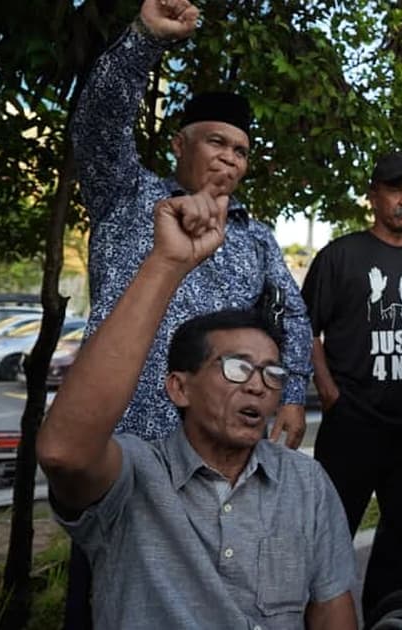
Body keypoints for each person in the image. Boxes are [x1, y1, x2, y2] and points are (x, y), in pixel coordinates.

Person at [68, 1, 312, 624]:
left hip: (208, 463)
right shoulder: (128, 196)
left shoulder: (255, 238)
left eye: (241, 151)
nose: (230, 159)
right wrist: (145, 39)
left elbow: (292, 316)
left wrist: (293, 393)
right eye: (216, 142)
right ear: (180, 146)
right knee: (106, 601)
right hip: (122, 455)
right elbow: (96, 123)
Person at [37, 182, 358, 630]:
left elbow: (331, 607)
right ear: (178, 388)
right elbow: (63, 451)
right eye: (236, 368)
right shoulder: (134, 478)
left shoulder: (305, 483)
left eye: (272, 373)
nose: (258, 386)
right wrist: (167, 263)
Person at [302, 152, 402, 619]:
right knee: (328, 537)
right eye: (396, 190)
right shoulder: (340, 256)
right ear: (373, 196)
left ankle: (388, 621)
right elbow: (304, 329)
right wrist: (328, 390)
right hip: (353, 423)